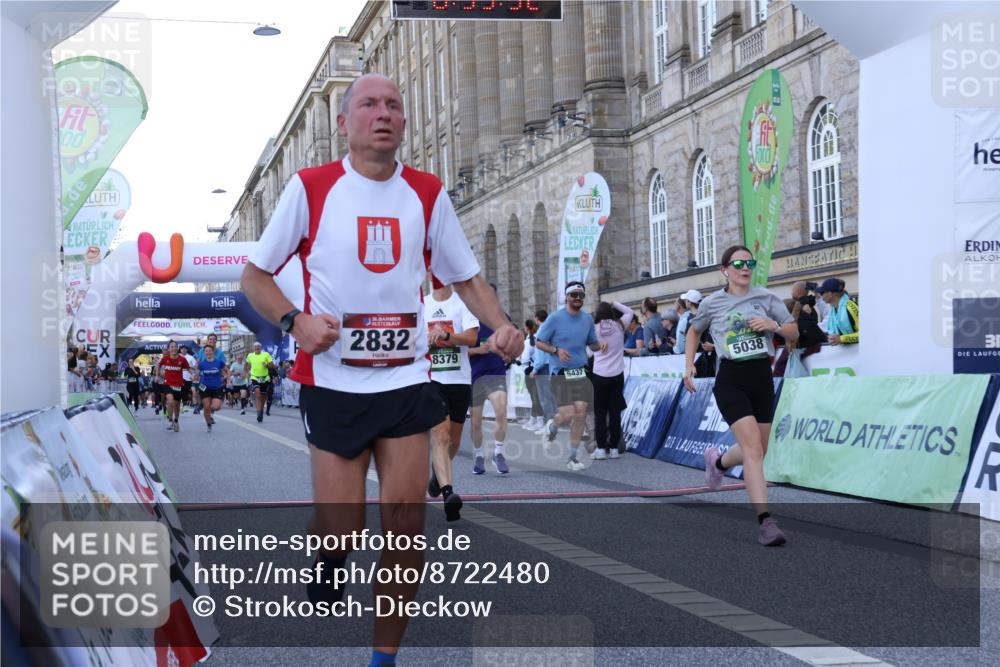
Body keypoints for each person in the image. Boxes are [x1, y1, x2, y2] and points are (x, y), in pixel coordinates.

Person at [240, 72, 521, 665]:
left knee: (403, 525)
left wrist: (500, 325)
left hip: (404, 379)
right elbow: (254, 278)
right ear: (344, 124)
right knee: (344, 531)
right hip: (334, 382)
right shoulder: (311, 187)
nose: (384, 113)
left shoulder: (426, 192)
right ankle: (329, 555)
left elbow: (465, 275)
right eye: (368, 104)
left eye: (393, 104)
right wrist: (295, 323)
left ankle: (383, 658)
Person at [684, 245, 797, 546]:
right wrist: (688, 367)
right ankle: (766, 523)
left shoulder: (766, 297)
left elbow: (794, 332)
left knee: (760, 448)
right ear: (725, 270)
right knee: (753, 451)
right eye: (738, 263)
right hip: (731, 379)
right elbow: (694, 331)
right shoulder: (712, 303)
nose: (745, 268)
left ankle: (718, 463)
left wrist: (773, 325)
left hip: (762, 377)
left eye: (749, 263)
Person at [424, 279, 479, 521]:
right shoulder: (421, 305)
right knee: (441, 433)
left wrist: (446, 335)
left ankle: (438, 475)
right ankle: (448, 494)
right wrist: (424, 340)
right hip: (431, 378)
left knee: (454, 439)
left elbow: (472, 338)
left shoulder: (463, 303)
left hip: (459, 379)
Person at [536, 281, 602, 471]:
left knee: (581, 411)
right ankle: (552, 427)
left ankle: (572, 457)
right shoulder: (555, 318)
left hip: (581, 370)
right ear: (566, 297)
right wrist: (555, 350)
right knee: (567, 414)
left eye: (581, 296)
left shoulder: (587, 319)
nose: (578, 299)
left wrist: (601, 345)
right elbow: (539, 342)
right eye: (574, 295)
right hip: (561, 372)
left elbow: (592, 343)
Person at [469, 313, 512, 476]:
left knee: (501, 411)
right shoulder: (468, 320)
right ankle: (479, 455)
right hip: (475, 376)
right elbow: (460, 350)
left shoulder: (501, 318)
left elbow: (510, 344)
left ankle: (498, 453)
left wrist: (508, 354)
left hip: (496, 375)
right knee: (475, 423)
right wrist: (479, 350)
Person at [591, 302, 632, 460]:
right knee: (615, 413)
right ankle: (614, 448)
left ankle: (601, 449)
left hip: (600, 374)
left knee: (600, 414)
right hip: (617, 374)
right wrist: (615, 303)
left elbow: (588, 346)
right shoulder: (620, 325)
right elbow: (629, 311)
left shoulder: (594, 328)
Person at [530, 309, 558, 435]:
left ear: (537, 319)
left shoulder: (541, 331)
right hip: (551, 366)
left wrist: (535, 369)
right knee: (550, 397)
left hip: (543, 368)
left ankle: (549, 426)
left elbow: (540, 355)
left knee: (545, 398)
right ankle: (553, 424)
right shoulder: (552, 328)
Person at [194, 343, 228, 432]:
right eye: (206, 351)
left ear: (213, 352)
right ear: (204, 353)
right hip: (205, 387)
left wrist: (227, 379)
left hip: (217, 387)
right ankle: (208, 423)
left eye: (209, 351)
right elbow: (196, 375)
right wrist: (194, 376)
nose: (208, 352)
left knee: (216, 407)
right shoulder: (201, 364)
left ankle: (207, 409)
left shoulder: (219, 362)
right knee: (206, 407)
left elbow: (227, 371)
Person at [157, 341, 190, 432]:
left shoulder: (182, 359)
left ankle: (176, 421)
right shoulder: (165, 358)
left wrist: (192, 374)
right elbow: (158, 365)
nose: (174, 348)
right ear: (169, 349)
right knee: (170, 401)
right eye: (171, 347)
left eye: (175, 346)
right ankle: (170, 419)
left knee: (177, 406)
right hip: (168, 384)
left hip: (179, 385)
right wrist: (157, 375)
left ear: (177, 348)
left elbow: (188, 368)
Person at [817, 277, 859, 346]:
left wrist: (841, 339)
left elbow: (866, 335)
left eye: (822, 293)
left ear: (830, 294)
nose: (821, 296)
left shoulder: (850, 307)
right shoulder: (833, 309)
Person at [521, 319, 545, 431]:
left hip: (530, 369)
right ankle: (534, 418)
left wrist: (520, 360)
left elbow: (525, 358)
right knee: (535, 396)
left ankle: (539, 420)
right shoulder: (536, 338)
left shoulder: (529, 341)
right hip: (536, 369)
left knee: (534, 396)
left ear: (527, 328)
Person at [245, 341, 274, 422]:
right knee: (257, 393)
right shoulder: (250, 355)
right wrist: (247, 373)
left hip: (265, 378)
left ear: (261, 348)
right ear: (253, 348)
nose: (257, 348)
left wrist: (267, 365)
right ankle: (259, 413)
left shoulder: (266, 355)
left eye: (258, 347)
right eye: (255, 347)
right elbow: (246, 365)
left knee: (263, 397)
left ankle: (261, 410)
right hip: (255, 377)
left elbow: (272, 366)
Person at [673, 289, 703, 354]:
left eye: (686, 300)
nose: (685, 302)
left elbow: (683, 344)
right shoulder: (703, 315)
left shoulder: (688, 319)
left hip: (693, 354)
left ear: (689, 302)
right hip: (702, 352)